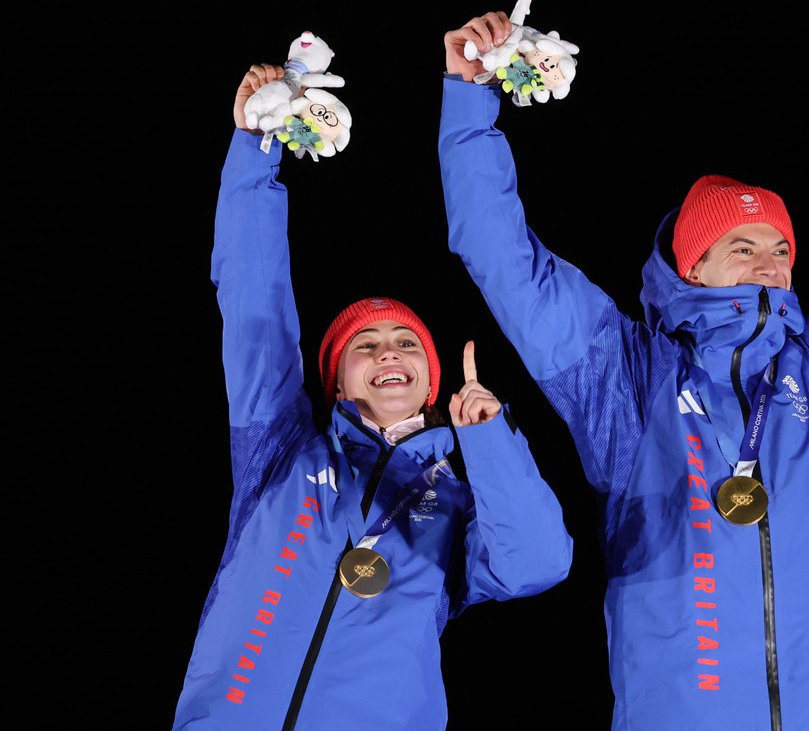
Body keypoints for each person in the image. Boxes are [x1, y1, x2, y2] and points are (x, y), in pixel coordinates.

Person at [438, 10, 809, 730]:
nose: (770, 261)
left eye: (781, 247)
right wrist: (469, 100)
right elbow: (507, 261)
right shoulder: (630, 379)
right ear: (691, 265)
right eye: (742, 245)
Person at [172, 64, 573, 730]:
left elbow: (539, 564)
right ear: (335, 378)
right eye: (367, 344)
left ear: (432, 379)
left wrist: (489, 440)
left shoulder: (458, 498)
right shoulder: (283, 451)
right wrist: (253, 150)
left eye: (407, 343)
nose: (389, 352)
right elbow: (253, 306)